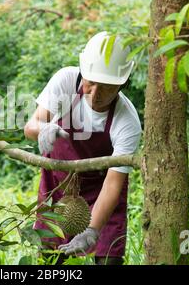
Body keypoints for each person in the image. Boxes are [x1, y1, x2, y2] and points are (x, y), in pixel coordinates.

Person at [24, 31, 142, 265]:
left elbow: (113, 183)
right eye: (91, 83)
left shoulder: (127, 122)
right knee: (51, 262)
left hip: (101, 194)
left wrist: (92, 230)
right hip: (58, 189)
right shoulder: (66, 80)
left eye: (106, 87)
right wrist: (44, 128)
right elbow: (31, 126)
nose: (95, 94)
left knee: (107, 260)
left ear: (122, 84)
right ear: (83, 73)